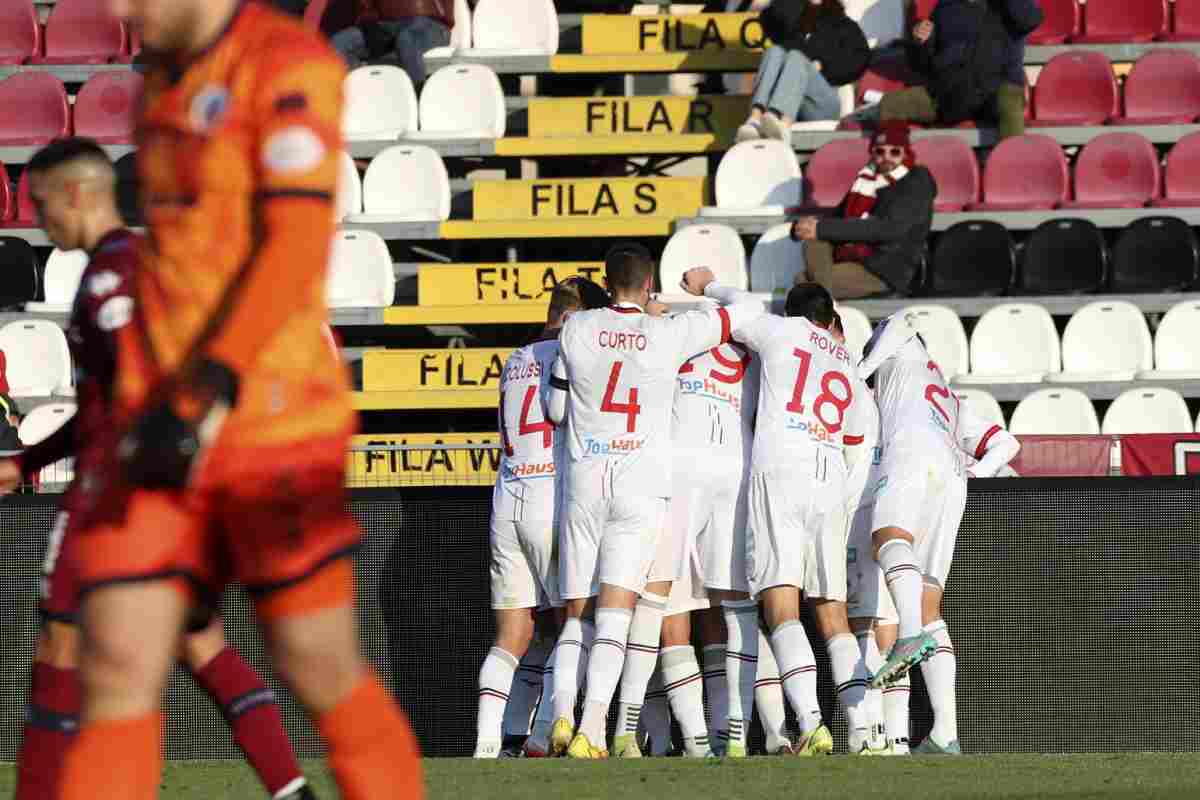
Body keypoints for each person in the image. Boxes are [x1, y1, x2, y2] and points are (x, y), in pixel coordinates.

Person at [58, 3, 422, 798]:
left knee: (314, 662)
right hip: (162, 421)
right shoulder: (157, 70)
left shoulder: (288, 66)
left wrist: (213, 382)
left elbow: (294, 243)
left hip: (274, 420)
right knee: (115, 659)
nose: (118, 13)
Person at [0, 138, 315, 800]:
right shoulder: (138, 268)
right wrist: (27, 461)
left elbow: (130, 398)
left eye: (42, 203)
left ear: (79, 194)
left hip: (117, 500)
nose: (37, 219)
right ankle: (291, 790)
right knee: (199, 645)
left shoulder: (113, 277)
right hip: (171, 499)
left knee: (58, 657)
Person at [545, 244, 763, 759]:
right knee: (620, 609)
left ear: (604, 279)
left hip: (584, 480)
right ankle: (594, 727)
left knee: (578, 611)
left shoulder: (576, 328)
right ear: (647, 287)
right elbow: (746, 311)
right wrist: (699, 293)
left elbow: (556, 406)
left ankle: (558, 717)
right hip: (641, 483)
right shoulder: (668, 333)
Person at [701, 281, 868, 757]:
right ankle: (863, 731)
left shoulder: (779, 331)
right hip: (830, 476)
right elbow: (855, 440)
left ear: (793, 313)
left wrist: (706, 284)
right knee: (833, 613)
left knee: (781, 609)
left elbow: (738, 310)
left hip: (782, 471)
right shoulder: (844, 361)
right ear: (830, 317)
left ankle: (812, 724)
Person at [858, 313, 1019, 755]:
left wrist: (861, 370)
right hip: (952, 476)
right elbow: (1007, 443)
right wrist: (978, 469)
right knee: (929, 602)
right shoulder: (948, 396)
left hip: (912, 453)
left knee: (888, 537)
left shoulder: (900, 348)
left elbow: (899, 322)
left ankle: (907, 635)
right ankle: (945, 733)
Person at [474, 276, 611, 759]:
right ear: (578, 318)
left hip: (507, 497)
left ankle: (490, 744)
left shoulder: (514, 360)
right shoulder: (576, 356)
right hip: (553, 498)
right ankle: (548, 732)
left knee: (514, 633)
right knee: (576, 620)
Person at [790, 122, 935, 300]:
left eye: (895, 151)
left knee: (803, 282)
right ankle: (825, 303)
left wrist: (820, 228)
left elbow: (888, 229)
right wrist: (803, 227)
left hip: (885, 267)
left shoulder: (916, 180)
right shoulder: (867, 178)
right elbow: (839, 216)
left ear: (906, 152)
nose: (886, 158)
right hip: (857, 258)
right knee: (813, 241)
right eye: (880, 152)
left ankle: (824, 305)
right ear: (872, 153)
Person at [879, 0, 1042, 138]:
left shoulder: (1013, 6)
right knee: (888, 106)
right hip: (950, 94)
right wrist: (922, 41)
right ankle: (894, 166)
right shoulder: (946, 7)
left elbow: (1029, 19)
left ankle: (1011, 168)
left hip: (995, 91)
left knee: (1009, 101)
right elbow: (924, 65)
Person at [738, 0, 869, 141]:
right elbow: (769, 18)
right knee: (774, 51)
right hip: (795, 99)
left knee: (796, 57)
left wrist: (823, 66)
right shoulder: (792, 21)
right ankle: (755, 118)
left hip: (823, 102)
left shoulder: (845, 26)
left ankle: (782, 123)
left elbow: (860, 61)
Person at [325, 0, 453, 86]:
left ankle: (418, 95)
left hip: (430, 23)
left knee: (406, 39)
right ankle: (364, 89)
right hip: (387, 25)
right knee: (338, 43)